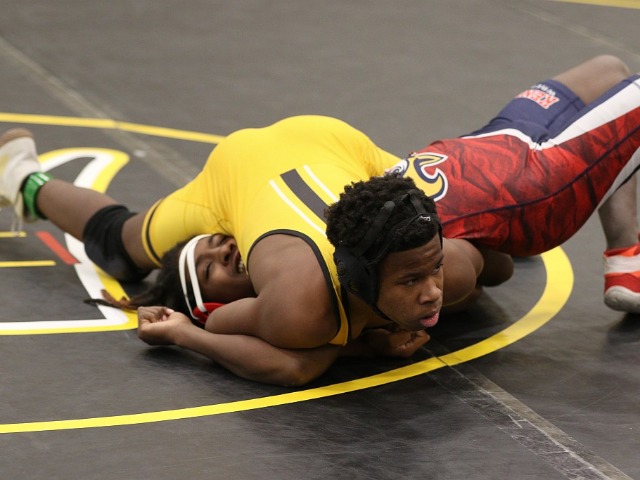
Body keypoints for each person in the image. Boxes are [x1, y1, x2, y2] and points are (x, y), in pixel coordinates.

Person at [1, 55, 640, 386]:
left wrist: (186, 335)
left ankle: (19, 177)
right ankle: (21, 179)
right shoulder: (303, 305)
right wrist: (370, 338)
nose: (225, 251)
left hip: (331, 153)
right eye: (215, 267)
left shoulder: (307, 303)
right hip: (284, 165)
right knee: (122, 246)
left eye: (211, 251)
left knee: (483, 257)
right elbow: (293, 360)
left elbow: (290, 359)